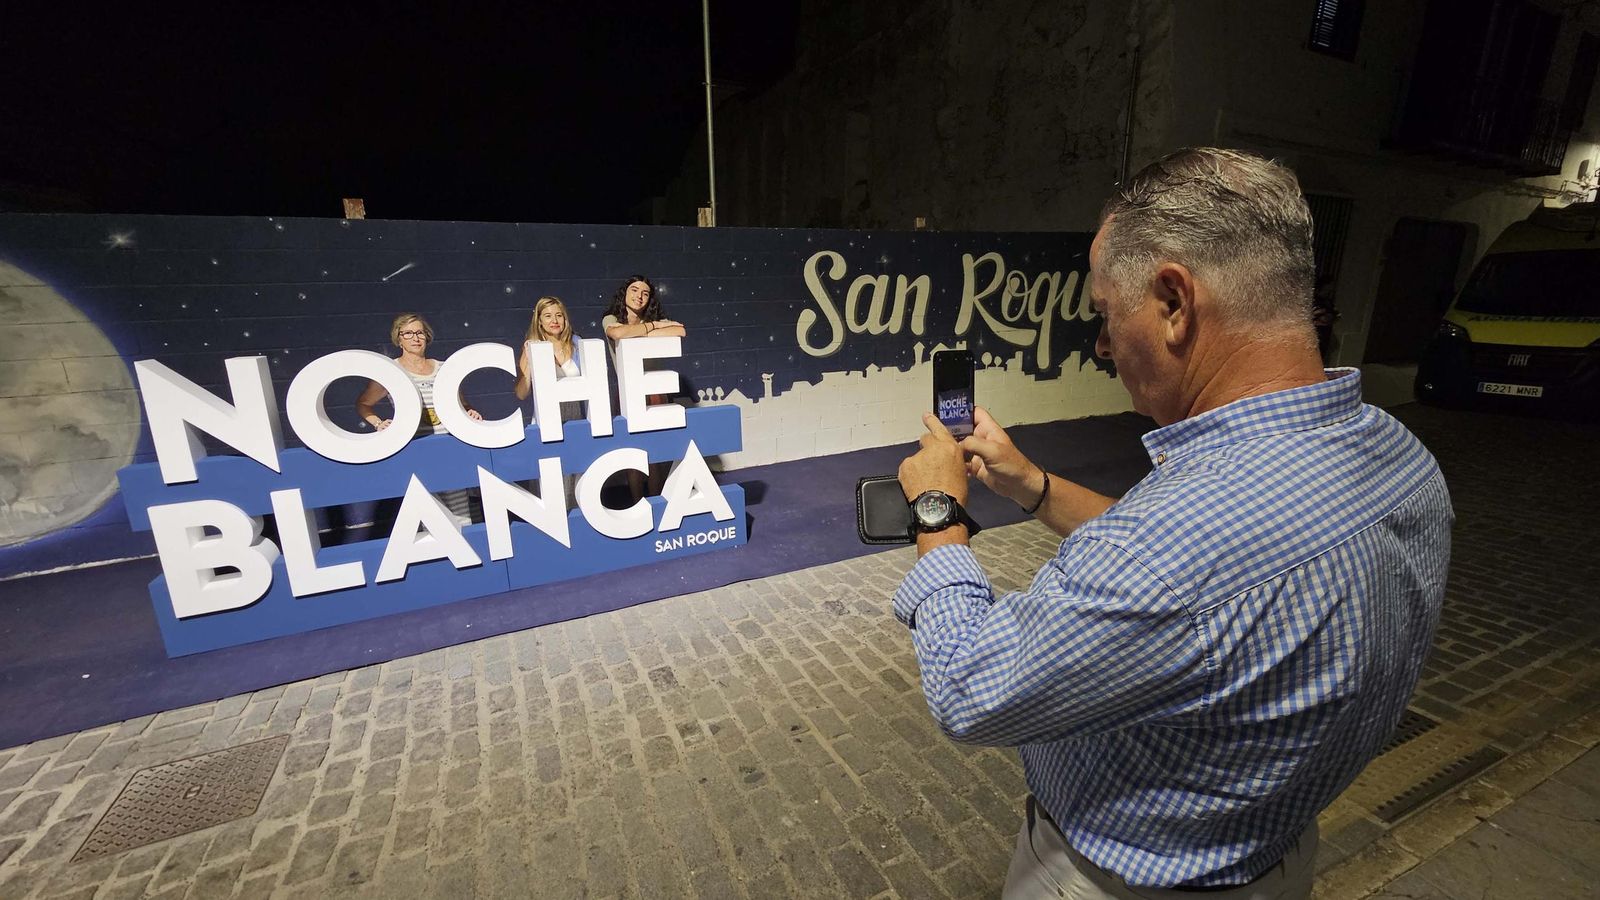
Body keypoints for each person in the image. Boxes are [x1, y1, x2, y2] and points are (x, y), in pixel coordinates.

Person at [893, 148, 1452, 898]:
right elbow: (1205, 580)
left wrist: (938, 509)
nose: (1102, 345)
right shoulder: (1402, 457)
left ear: (1174, 302)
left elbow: (971, 687)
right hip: (1277, 860)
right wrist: (1034, 485)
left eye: (1104, 314)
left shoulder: (1177, 546)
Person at [356, 313, 481, 527]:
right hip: (414, 454)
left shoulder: (444, 368)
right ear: (399, 338)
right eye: (408, 333)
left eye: (419, 332)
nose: (415, 338)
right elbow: (363, 404)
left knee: (462, 517)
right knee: (432, 519)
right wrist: (378, 423)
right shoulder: (391, 372)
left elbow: (463, 404)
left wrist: (470, 412)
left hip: (449, 451)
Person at [601, 276, 686, 499]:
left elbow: (679, 331)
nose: (639, 296)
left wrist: (646, 327)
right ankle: (637, 501)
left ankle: (656, 500)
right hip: (629, 392)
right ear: (625, 293)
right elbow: (617, 333)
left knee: (654, 451)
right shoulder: (611, 318)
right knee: (633, 452)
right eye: (634, 290)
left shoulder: (653, 317)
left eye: (645, 293)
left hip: (655, 391)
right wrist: (655, 327)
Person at [516, 295, 585, 508]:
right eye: (548, 316)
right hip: (547, 423)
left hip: (575, 420)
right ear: (539, 321)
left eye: (559, 315)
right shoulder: (532, 347)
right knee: (552, 488)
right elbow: (521, 393)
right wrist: (528, 366)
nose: (554, 320)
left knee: (578, 485)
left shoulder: (577, 343)